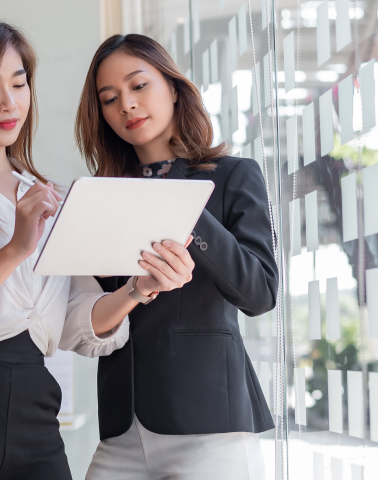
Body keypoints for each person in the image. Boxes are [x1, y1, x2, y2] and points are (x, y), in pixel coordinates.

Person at [0, 18, 194, 480]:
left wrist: (136, 290)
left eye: (19, 83)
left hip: (34, 403)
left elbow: (73, 322)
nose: (9, 103)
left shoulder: (48, 194)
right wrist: (16, 247)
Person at [75, 34, 279, 479]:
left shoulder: (233, 177)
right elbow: (92, 316)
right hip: (122, 429)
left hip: (211, 427)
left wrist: (185, 209)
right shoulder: (102, 197)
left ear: (172, 87)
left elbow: (260, 293)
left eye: (138, 86)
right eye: (109, 99)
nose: (126, 105)